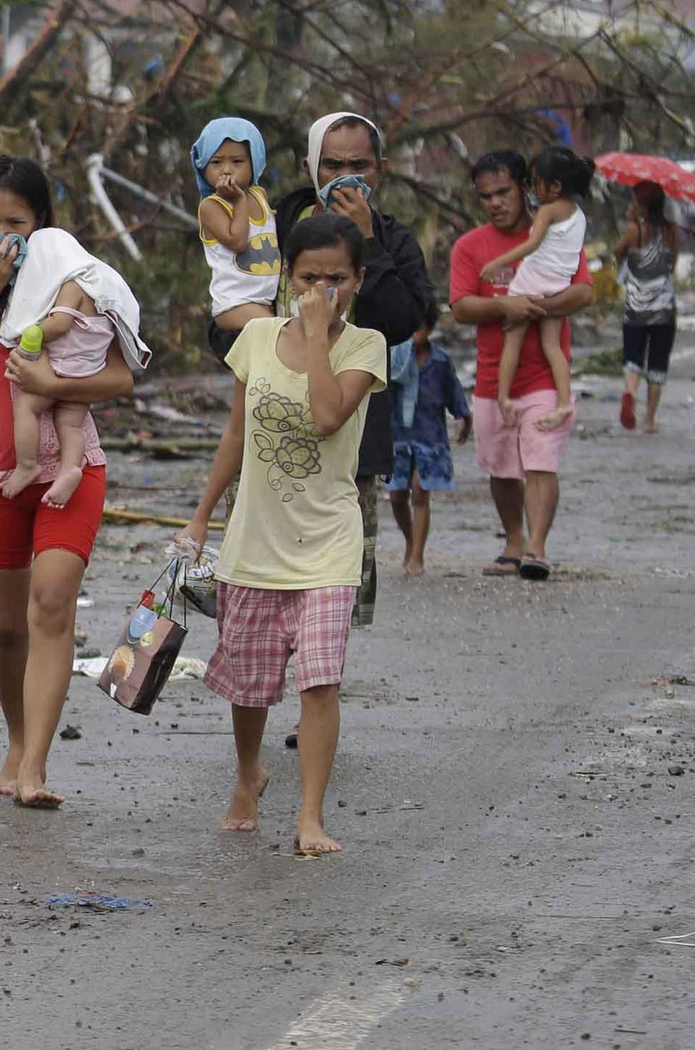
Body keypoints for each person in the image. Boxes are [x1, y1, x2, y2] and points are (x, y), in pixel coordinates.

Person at [0, 158, 135, 809]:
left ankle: (34, 766)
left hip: (72, 469)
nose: (3, 236)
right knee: (6, 625)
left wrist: (56, 387)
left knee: (49, 603)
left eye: (18, 222)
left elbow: (123, 376)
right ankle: (16, 739)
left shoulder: (74, 282)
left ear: (42, 224)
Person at [181, 213, 387, 855]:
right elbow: (236, 434)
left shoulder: (364, 346)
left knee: (320, 682)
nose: (320, 290)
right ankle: (248, 776)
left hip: (328, 541)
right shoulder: (258, 338)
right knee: (250, 683)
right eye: (307, 278)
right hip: (255, 541)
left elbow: (327, 417)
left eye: (335, 278)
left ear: (356, 279)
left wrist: (322, 335)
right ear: (286, 278)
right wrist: (202, 513)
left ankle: (311, 815)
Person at [272, 112, 434, 628]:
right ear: (309, 168)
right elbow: (227, 319)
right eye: (332, 164)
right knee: (265, 590)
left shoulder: (392, 238)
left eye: (358, 165)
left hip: (354, 442)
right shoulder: (269, 228)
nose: (345, 176)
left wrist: (369, 242)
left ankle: (320, 693)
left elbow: (406, 321)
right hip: (268, 437)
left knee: (336, 597)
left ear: (380, 170)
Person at [448, 150, 593, 581]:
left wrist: (533, 305)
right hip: (494, 377)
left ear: (525, 188)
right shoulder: (469, 247)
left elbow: (583, 292)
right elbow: (460, 307)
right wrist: (504, 304)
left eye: (503, 192)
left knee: (540, 462)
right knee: (501, 468)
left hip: (546, 375)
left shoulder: (555, 231)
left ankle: (537, 548)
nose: (495, 202)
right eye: (485, 196)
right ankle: (513, 540)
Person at [0, 229, 151, 508]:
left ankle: (27, 465)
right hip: (88, 372)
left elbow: (59, 325)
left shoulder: (72, 284)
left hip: (61, 368)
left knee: (26, 408)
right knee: (70, 425)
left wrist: (31, 332)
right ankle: (70, 468)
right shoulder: (101, 287)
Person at [478, 146, 595, 430]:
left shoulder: (548, 210)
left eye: (535, 182)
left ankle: (504, 398)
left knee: (512, 344)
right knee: (553, 347)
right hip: (558, 286)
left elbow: (531, 245)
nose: (532, 189)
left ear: (554, 186)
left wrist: (497, 263)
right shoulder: (577, 214)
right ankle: (565, 402)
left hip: (530, 282)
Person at [386, 308, 471, 578]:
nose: (414, 334)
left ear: (430, 328)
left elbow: (453, 392)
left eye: (420, 327)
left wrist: (464, 418)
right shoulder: (394, 359)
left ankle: (417, 555)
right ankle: (411, 540)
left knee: (420, 491)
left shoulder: (440, 361)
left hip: (429, 437)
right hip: (397, 437)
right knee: (398, 496)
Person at [192, 117, 281, 363]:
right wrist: (239, 201)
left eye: (237, 161)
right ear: (203, 167)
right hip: (234, 304)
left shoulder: (260, 195)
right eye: (217, 162)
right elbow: (238, 241)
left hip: (265, 300)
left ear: (255, 163)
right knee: (283, 335)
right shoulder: (211, 206)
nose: (227, 170)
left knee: (253, 373)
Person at [613, 181, 680, 434]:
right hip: (664, 307)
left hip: (635, 307)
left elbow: (617, 252)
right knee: (658, 363)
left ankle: (630, 392)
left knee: (633, 357)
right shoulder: (672, 231)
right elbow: (672, 265)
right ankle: (650, 421)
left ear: (641, 204)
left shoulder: (635, 231)